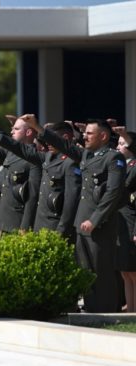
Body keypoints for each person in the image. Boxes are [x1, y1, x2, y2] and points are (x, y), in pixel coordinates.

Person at [24, 115, 126, 312]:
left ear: (103, 136)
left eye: (89, 133)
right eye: (84, 133)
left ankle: (105, 313)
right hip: (81, 225)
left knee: (101, 272)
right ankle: (92, 310)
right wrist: (37, 127)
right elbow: (62, 144)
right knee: (85, 271)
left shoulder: (114, 158)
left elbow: (113, 193)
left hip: (100, 226)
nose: (84, 136)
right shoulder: (86, 155)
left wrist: (95, 219)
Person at [0, 120, 81, 241]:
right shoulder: (47, 158)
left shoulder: (70, 163)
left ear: (65, 138)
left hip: (55, 228)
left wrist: (62, 231)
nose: (47, 142)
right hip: (40, 227)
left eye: (52, 139)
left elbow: (71, 202)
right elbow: (21, 149)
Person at [0, 117, 41, 234]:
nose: (11, 132)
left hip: (18, 224)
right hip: (4, 223)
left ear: (28, 132)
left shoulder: (34, 158)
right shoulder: (11, 154)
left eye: (16, 129)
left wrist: (25, 226)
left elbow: (33, 196)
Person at [114, 127, 136, 312]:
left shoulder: (134, 166)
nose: (118, 146)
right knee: (125, 272)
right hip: (121, 222)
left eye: (123, 143)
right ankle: (130, 311)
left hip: (132, 222)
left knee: (134, 272)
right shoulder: (120, 165)